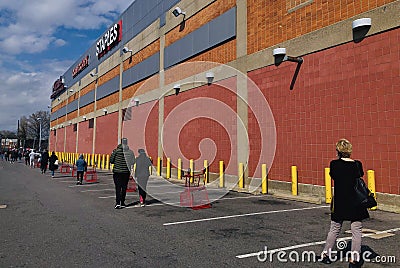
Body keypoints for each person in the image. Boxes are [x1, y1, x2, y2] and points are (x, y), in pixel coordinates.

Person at [321, 139, 369, 268]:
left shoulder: (334, 164)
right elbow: (360, 175)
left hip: (340, 201)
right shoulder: (357, 164)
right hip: (356, 202)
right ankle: (354, 259)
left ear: (338, 151)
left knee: (335, 228)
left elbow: (333, 176)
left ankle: (326, 255)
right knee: (356, 230)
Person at [110, 138, 135, 209]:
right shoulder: (130, 152)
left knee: (118, 188)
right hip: (126, 172)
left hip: (117, 172)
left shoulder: (116, 151)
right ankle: (123, 202)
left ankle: (118, 203)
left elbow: (111, 161)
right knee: (124, 188)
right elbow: (133, 162)